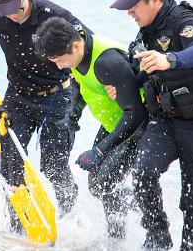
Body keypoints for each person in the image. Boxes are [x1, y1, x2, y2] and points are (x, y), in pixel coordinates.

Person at [110, 0, 193, 250]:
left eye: (133, 6)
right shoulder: (147, 31)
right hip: (168, 120)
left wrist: (170, 59)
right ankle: (158, 237)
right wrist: (123, 86)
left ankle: (192, 247)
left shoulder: (186, 21)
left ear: (154, 0)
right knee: (142, 174)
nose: (129, 12)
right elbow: (141, 72)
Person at [0, 0, 91, 231]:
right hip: (17, 96)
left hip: (57, 96)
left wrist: (100, 79)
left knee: (53, 167)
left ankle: (71, 221)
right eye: (6, 10)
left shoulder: (52, 14)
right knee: (12, 165)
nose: (13, 14)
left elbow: (84, 40)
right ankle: (18, 229)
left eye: (17, 6)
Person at [34, 16, 147, 240]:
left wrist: (99, 151)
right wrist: (74, 112)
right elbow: (82, 83)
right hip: (113, 123)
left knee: (105, 183)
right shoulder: (77, 55)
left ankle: (120, 238)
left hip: (139, 126)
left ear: (76, 45)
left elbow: (137, 113)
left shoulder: (107, 62)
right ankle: (135, 208)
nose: (58, 66)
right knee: (97, 186)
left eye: (59, 60)